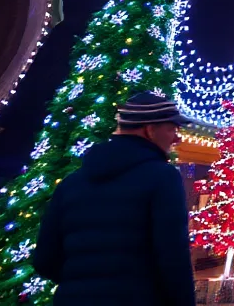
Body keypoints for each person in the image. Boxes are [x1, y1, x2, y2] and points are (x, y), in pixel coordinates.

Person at [34, 93, 196, 306]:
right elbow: (173, 257)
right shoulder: (162, 177)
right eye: (172, 129)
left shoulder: (70, 183)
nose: (177, 138)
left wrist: (83, 285)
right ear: (149, 130)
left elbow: (44, 260)